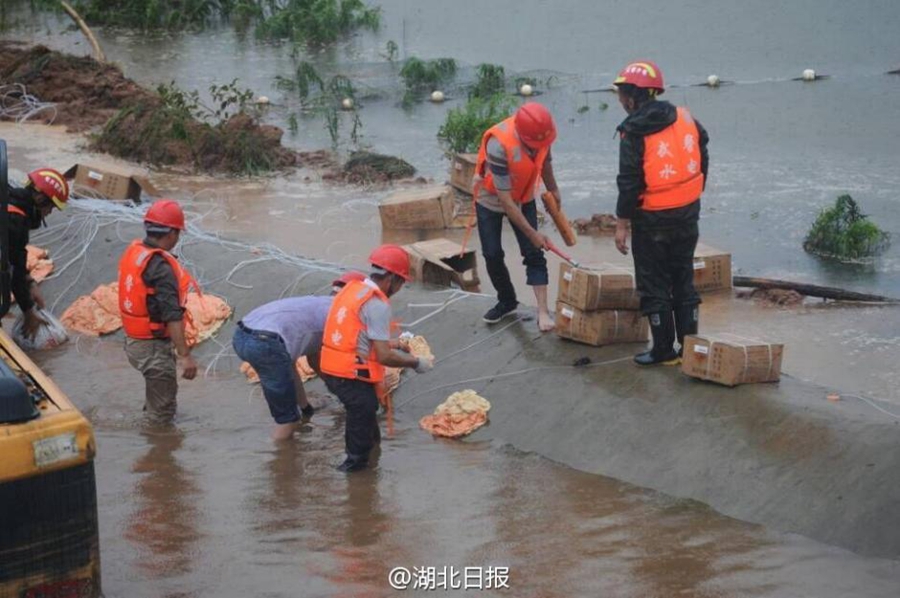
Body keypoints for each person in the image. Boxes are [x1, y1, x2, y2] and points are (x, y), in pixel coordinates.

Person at [612, 61, 710, 365]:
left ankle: (663, 350)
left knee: (653, 283)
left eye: (621, 94)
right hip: (687, 214)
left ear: (631, 97)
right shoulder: (685, 117)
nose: (619, 101)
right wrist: (695, 188)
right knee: (683, 278)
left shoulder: (633, 131)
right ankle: (689, 347)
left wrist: (621, 224)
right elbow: (703, 150)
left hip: (651, 218)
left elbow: (629, 182)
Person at [319, 245, 434, 472]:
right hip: (350, 373)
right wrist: (416, 363)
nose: (399, 288)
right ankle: (356, 476)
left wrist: (396, 343)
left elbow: (358, 336)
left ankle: (373, 451)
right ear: (391, 278)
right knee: (361, 415)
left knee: (366, 411)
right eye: (401, 282)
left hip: (330, 366)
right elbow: (384, 356)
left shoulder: (352, 289)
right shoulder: (377, 305)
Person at [232, 271, 366, 441]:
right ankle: (281, 462)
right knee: (288, 421)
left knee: (288, 365)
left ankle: (304, 409)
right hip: (266, 343)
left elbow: (311, 357)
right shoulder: (342, 314)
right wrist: (348, 397)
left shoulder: (316, 303)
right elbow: (319, 363)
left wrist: (308, 407)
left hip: (241, 335)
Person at [472, 102, 562, 332]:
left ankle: (543, 312)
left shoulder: (543, 134)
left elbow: (547, 163)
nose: (538, 147)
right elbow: (506, 202)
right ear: (522, 136)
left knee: (534, 253)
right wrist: (533, 233)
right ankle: (507, 300)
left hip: (524, 193)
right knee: (492, 253)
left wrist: (554, 190)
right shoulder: (498, 145)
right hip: (492, 197)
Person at [119, 199, 198, 424]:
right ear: (172, 233)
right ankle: (158, 453)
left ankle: (149, 419)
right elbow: (172, 315)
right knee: (162, 416)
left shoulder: (135, 252)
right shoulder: (161, 268)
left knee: (156, 397)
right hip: (152, 347)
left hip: (133, 342)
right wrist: (185, 356)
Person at [3, 168, 69, 338]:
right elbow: (12, 271)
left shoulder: (9, 198)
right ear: (40, 199)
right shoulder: (14, 220)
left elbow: (14, 258)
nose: (48, 214)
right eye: (51, 208)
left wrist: (30, 282)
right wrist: (29, 312)